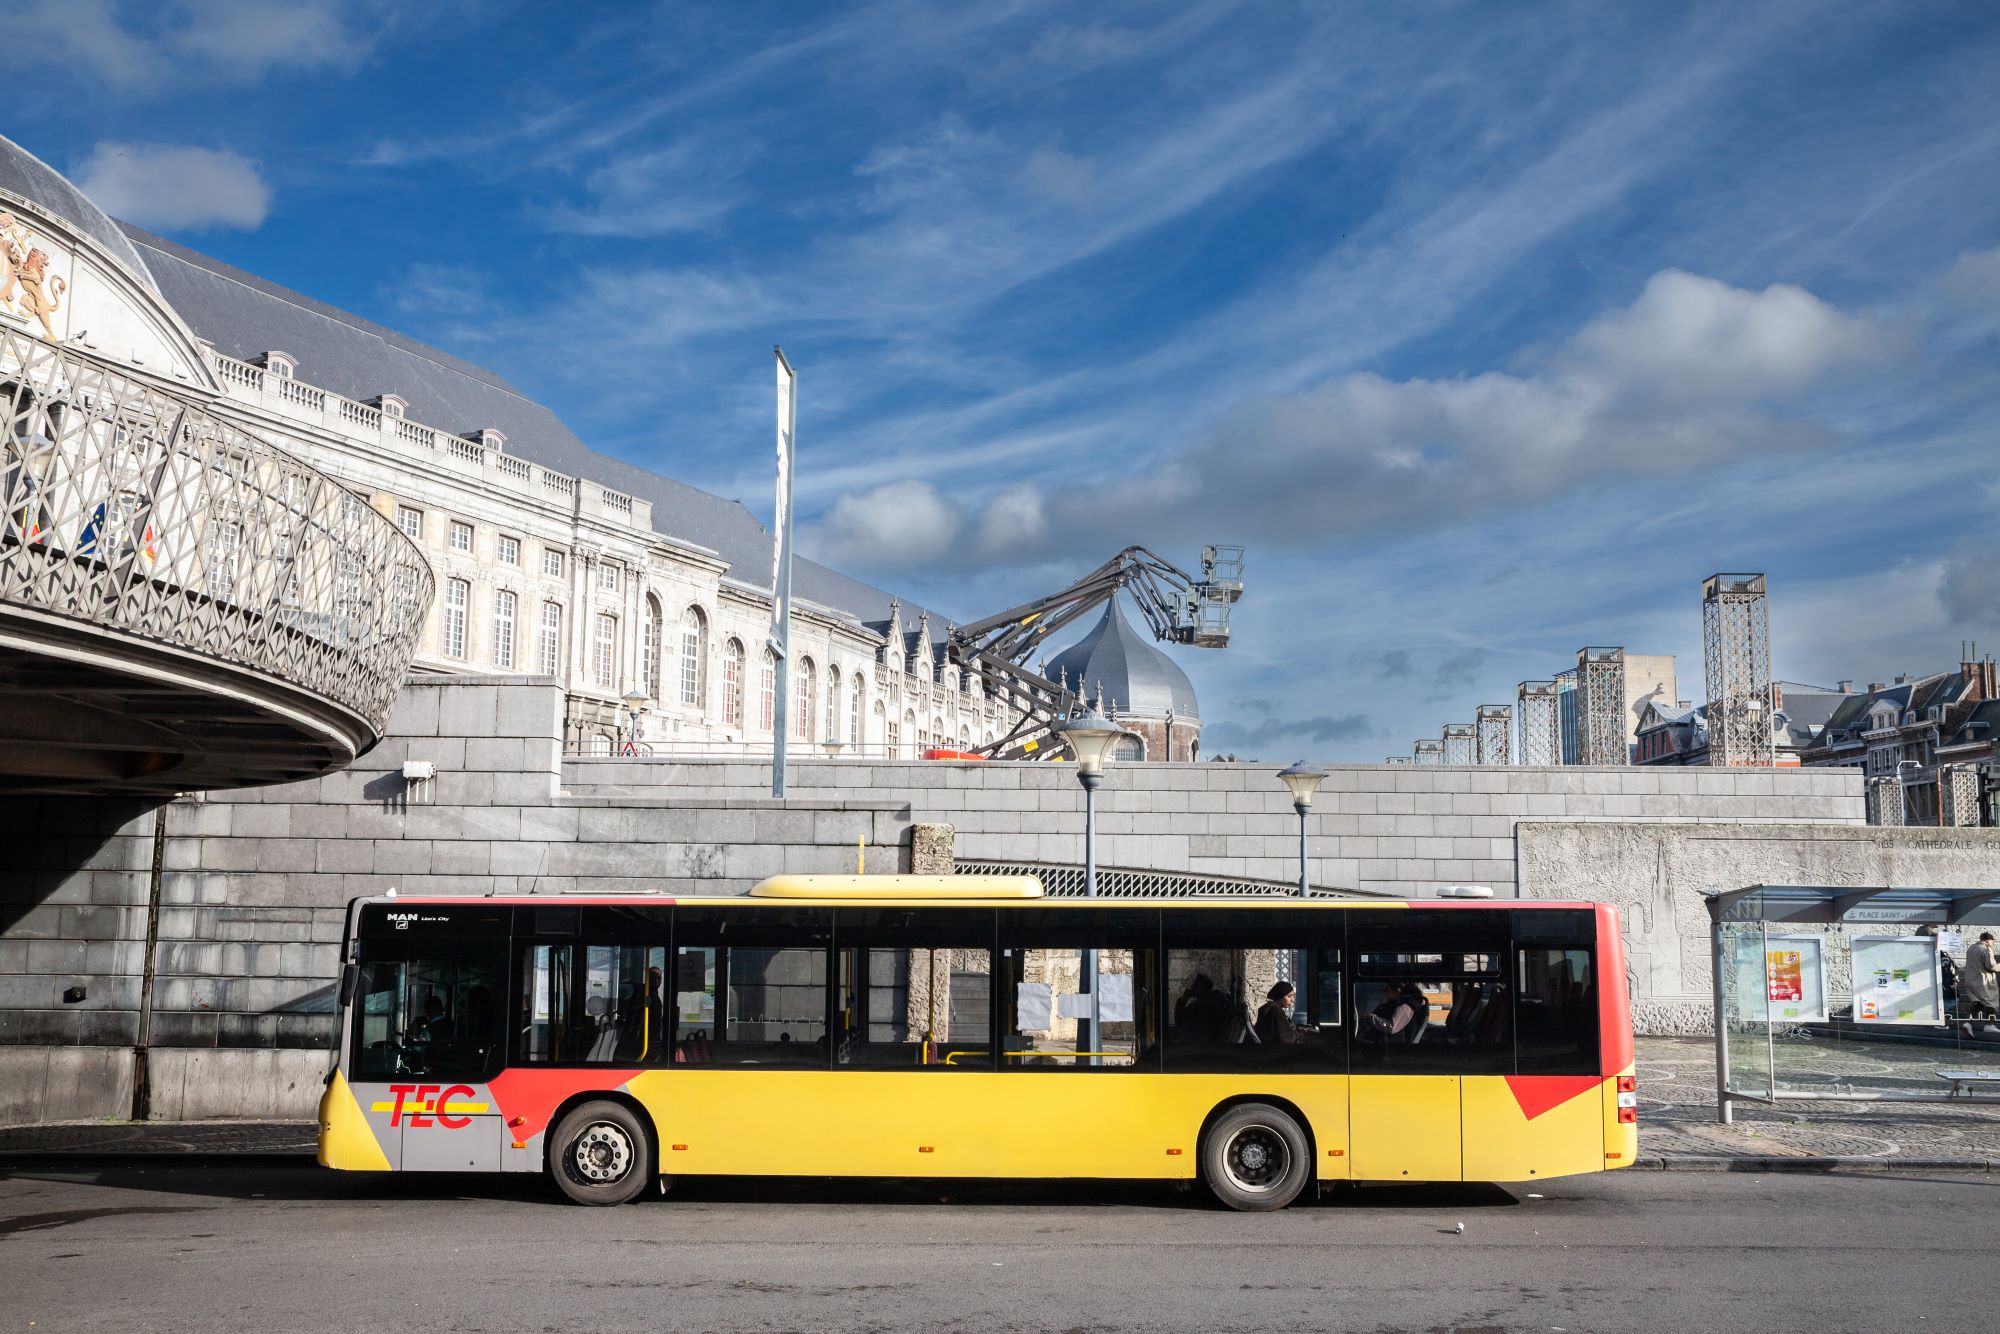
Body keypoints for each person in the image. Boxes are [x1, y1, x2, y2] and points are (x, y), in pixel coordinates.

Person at [1961, 932, 2000, 1037]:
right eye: (1992, 941)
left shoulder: (1971, 948)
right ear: (1987, 940)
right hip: (1983, 981)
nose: (1992, 943)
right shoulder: (1986, 949)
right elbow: (1991, 966)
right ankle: (1990, 1025)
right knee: (1992, 1002)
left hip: (1970, 980)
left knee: (1977, 1002)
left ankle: (1968, 1023)